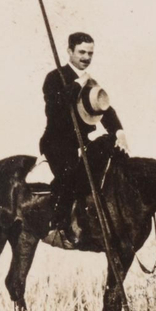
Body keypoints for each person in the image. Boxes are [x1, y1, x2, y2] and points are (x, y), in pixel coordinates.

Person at [40, 31, 129, 245]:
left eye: (90, 53)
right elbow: (55, 110)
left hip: (82, 143)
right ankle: (58, 224)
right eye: (81, 52)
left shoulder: (91, 82)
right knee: (70, 175)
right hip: (58, 144)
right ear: (69, 51)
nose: (86, 57)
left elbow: (105, 108)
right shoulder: (55, 78)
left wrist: (119, 132)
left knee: (111, 155)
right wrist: (78, 84)